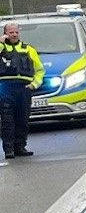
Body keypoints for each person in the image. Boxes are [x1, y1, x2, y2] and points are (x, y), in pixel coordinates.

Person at [0, 21, 44, 158]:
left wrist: (34, 85)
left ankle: (20, 146)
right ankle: (9, 149)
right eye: (11, 32)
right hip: (5, 87)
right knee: (7, 120)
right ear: (5, 33)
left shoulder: (28, 49)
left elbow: (40, 70)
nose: (14, 35)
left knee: (22, 119)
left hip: (23, 88)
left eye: (16, 32)